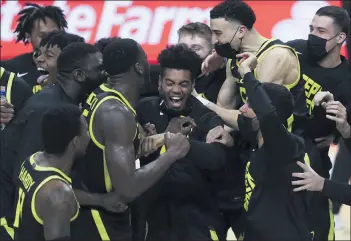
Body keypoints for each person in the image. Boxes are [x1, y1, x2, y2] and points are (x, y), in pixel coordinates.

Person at [75, 38, 190, 241]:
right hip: (102, 222)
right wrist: (171, 155)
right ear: (138, 67)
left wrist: (156, 138)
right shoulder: (115, 112)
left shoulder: (100, 94)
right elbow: (127, 189)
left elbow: (101, 149)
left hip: (89, 211)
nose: (148, 64)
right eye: (145, 59)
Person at [0, 42, 106, 240]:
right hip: (10, 220)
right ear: (79, 75)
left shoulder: (61, 102)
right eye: (99, 69)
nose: (106, 74)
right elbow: (25, 176)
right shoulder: (48, 111)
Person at [209, 51, 311, 241]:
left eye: (250, 105)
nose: (242, 109)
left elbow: (268, 115)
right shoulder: (258, 144)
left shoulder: (285, 147)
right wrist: (231, 144)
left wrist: (247, 72)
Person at [135, 44, 229, 241]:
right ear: (160, 82)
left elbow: (217, 159)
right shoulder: (143, 110)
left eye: (183, 84)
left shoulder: (206, 117)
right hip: (152, 220)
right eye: (170, 83)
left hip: (197, 219)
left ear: (193, 85)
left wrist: (178, 143)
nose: (176, 90)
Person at [286, 6, 351, 240]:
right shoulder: (295, 50)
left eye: (321, 31)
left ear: (340, 38)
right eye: (311, 28)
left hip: (313, 166)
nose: (312, 35)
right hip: (275, 155)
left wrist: (341, 131)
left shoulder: (347, 82)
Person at [201, 0, 305, 132]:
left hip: (288, 143)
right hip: (257, 138)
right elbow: (223, 108)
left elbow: (255, 115)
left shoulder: (276, 56)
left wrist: (198, 99)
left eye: (218, 33)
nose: (214, 40)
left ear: (241, 31)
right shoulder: (235, 57)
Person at [11, 104, 88, 240]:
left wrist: (101, 201)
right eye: (86, 130)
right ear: (75, 141)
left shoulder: (32, 160)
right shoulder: (58, 196)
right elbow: (56, 200)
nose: (89, 136)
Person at [1, 3, 67, 88]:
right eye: (43, 36)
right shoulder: (8, 69)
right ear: (28, 37)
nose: (50, 39)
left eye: (54, 34)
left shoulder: (76, 68)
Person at [178, 22, 226, 103]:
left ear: (212, 52)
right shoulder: (168, 75)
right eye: (183, 47)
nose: (187, 53)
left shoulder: (223, 79)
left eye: (196, 49)